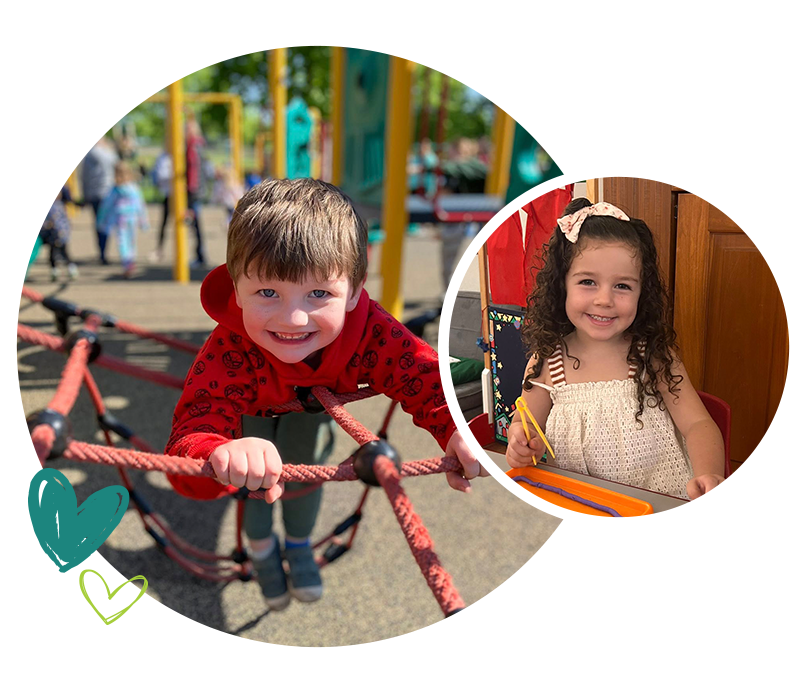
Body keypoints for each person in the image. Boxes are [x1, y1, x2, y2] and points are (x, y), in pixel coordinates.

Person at [165, 178, 484, 610]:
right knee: (253, 476)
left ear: (353, 291)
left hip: (313, 408)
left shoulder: (371, 332)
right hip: (248, 410)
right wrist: (215, 452)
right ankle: (260, 548)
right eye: (266, 292)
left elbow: (423, 376)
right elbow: (190, 436)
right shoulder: (230, 348)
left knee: (305, 469)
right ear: (235, 288)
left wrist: (455, 427)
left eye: (319, 293)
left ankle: (297, 545)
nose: (293, 318)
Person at [506, 198, 725, 501]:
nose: (605, 300)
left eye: (622, 286)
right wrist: (521, 442)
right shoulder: (545, 362)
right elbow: (525, 425)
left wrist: (709, 474)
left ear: (641, 292)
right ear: (562, 287)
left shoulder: (655, 357)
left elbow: (699, 424)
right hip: (581, 505)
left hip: (658, 501)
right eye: (587, 282)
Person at [97, 162, 149, 278]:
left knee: (122, 243)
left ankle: (127, 264)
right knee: (131, 242)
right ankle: (131, 262)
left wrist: (101, 221)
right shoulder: (134, 188)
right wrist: (144, 221)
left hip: (121, 220)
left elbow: (106, 206)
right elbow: (140, 205)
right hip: (132, 219)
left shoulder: (115, 190)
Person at [80, 137, 118, 264]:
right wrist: (107, 148)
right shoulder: (96, 151)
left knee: (100, 224)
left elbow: (83, 177)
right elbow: (113, 161)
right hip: (103, 192)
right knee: (103, 224)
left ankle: (102, 252)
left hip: (95, 192)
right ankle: (103, 253)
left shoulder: (89, 154)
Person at [40, 185, 78, 282]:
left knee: (63, 253)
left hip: (59, 234)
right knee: (53, 254)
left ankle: (70, 268)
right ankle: (55, 270)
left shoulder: (57, 207)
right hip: (53, 235)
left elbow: (59, 222)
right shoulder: (57, 206)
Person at [185, 118, 207, 267]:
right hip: (197, 190)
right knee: (195, 224)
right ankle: (200, 255)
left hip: (194, 190)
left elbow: (193, 170)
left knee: (195, 224)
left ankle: (200, 256)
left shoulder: (193, 146)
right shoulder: (198, 144)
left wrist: (191, 189)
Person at [149, 150, 173, 262]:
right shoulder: (164, 157)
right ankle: (159, 249)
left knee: (191, 223)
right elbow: (160, 175)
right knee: (164, 223)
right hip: (169, 194)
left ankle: (199, 254)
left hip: (184, 195)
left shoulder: (183, 153)